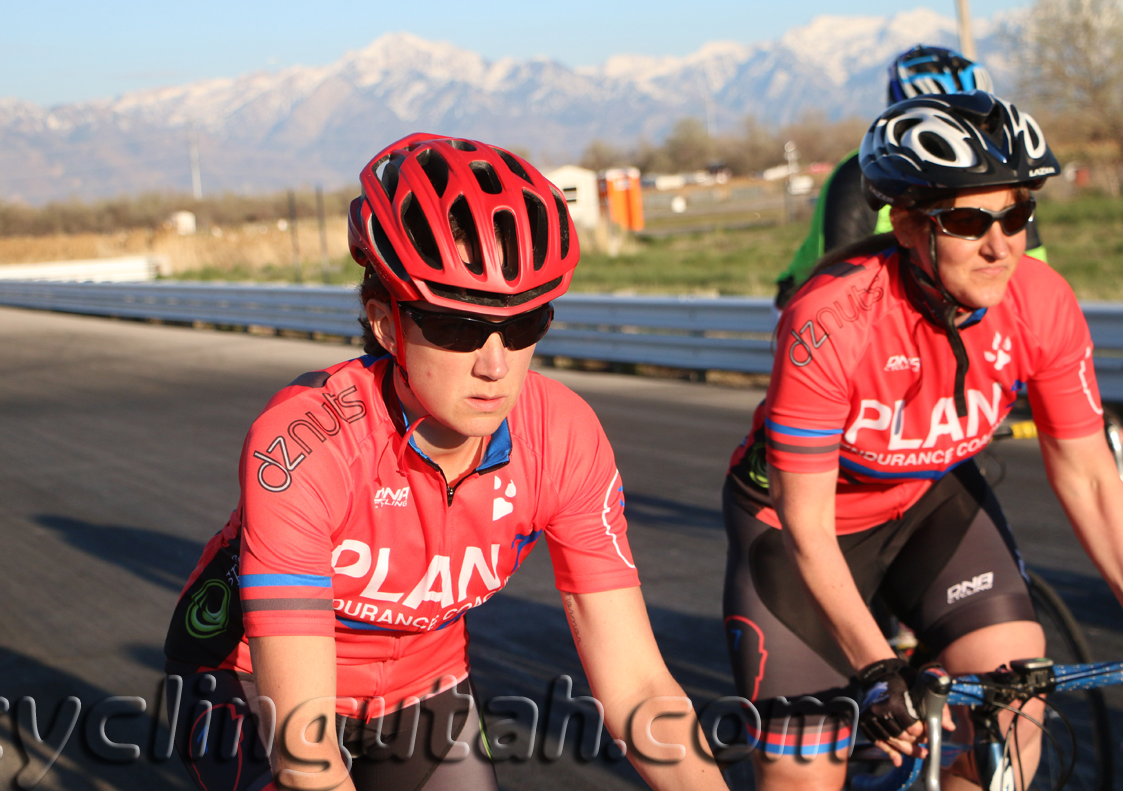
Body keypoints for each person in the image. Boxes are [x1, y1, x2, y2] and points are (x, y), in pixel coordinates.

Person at [163, 133, 729, 791]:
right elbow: (305, 758)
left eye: (523, 326)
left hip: (421, 683)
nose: (495, 363)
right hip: (250, 677)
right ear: (384, 323)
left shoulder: (565, 436)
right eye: (457, 327)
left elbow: (639, 685)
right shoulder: (305, 442)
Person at [721, 91, 1123, 789]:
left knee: (1016, 701)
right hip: (798, 530)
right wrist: (878, 668)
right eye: (970, 221)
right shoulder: (832, 320)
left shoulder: (1042, 300)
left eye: (1018, 215)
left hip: (926, 504)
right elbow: (806, 523)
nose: (1002, 245)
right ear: (907, 225)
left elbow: (1090, 474)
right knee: (801, 771)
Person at [775, 45, 1047, 310]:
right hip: (814, 300)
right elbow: (840, 280)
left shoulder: (999, 173)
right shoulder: (860, 174)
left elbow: (1034, 270)